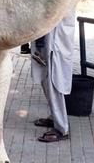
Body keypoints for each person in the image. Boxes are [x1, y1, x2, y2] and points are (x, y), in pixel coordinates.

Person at [32, 12, 76, 143]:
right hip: (46, 32)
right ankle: (54, 117)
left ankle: (62, 128)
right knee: (45, 77)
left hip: (55, 37)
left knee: (53, 80)